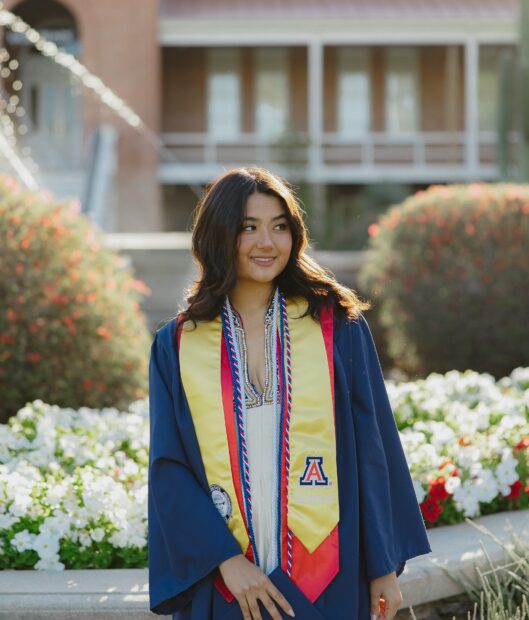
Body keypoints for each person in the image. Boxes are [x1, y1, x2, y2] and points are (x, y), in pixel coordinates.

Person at [148, 167, 432, 620]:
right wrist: (226, 561)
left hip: (329, 572)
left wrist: (382, 566)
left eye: (280, 226)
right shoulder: (178, 345)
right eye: (249, 227)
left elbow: (372, 448)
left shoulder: (337, 329)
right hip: (229, 580)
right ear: (218, 235)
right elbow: (170, 466)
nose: (268, 242)